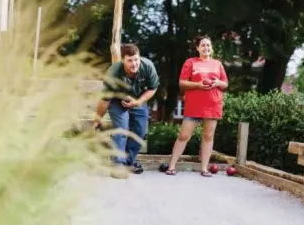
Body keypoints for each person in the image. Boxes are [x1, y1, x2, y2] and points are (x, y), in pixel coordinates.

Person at [93, 43, 159, 178]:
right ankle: (117, 165)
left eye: (136, 59)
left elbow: (152, 88)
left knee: (140, 131)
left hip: (138, 99)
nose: (134, 64)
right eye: (130, 60)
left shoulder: (148, 66)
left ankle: (128, 162)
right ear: (122, 60)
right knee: (121, 129)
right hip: (117, 101)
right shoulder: (114, 72)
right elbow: (105, 99)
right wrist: (97, 119)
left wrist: (139, 102)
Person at [166, 35, 228, 177]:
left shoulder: (217, 64)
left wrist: (218, 83)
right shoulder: (191, 62)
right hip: (194, 106)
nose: (206, 48)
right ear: (197, 48)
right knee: (183, 136)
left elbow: (225, 84)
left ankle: (204, 169)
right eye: (203, 45)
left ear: (211, 48)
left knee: (208, 136)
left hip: (213, 105)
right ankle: (171, 166)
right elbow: (182, 82)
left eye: (208, 45)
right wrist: (198, 85)